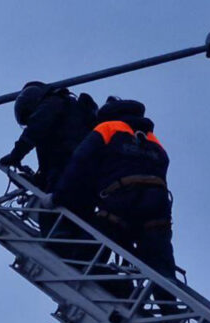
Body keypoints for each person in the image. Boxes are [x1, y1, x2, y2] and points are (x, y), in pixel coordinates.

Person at [49, 97, 177, 305]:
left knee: (85, 256)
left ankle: (116, 286)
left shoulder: (106, 128)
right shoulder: (153, 140)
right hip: (158, 206)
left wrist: (58, 197)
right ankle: (171, 318)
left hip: (121, 200)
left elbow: (79, 164)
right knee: (162, 271)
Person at [0, 81, 97, 193]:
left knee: (53, 202)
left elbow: (33, 131)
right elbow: (48, 162)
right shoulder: (60, 117)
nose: (31, 121)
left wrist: (14, 156)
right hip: (79, 170)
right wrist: (36, 180)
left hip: (71, 167)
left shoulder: (52, 103)